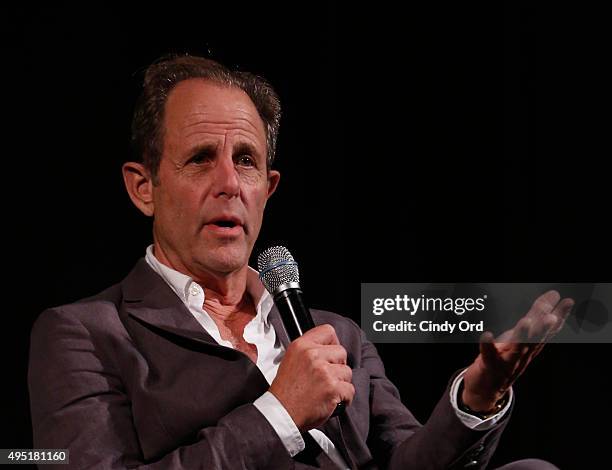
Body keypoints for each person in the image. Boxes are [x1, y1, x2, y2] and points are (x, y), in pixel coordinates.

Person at [28, 54, 572, 469]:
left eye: (246, 162)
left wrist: (478, 392)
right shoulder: (86, 333)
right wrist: (279, 414)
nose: (228, 185)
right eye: (200, 160)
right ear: (143, 187)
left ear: (268, 189)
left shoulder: (337, 334)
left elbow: (408, 460)